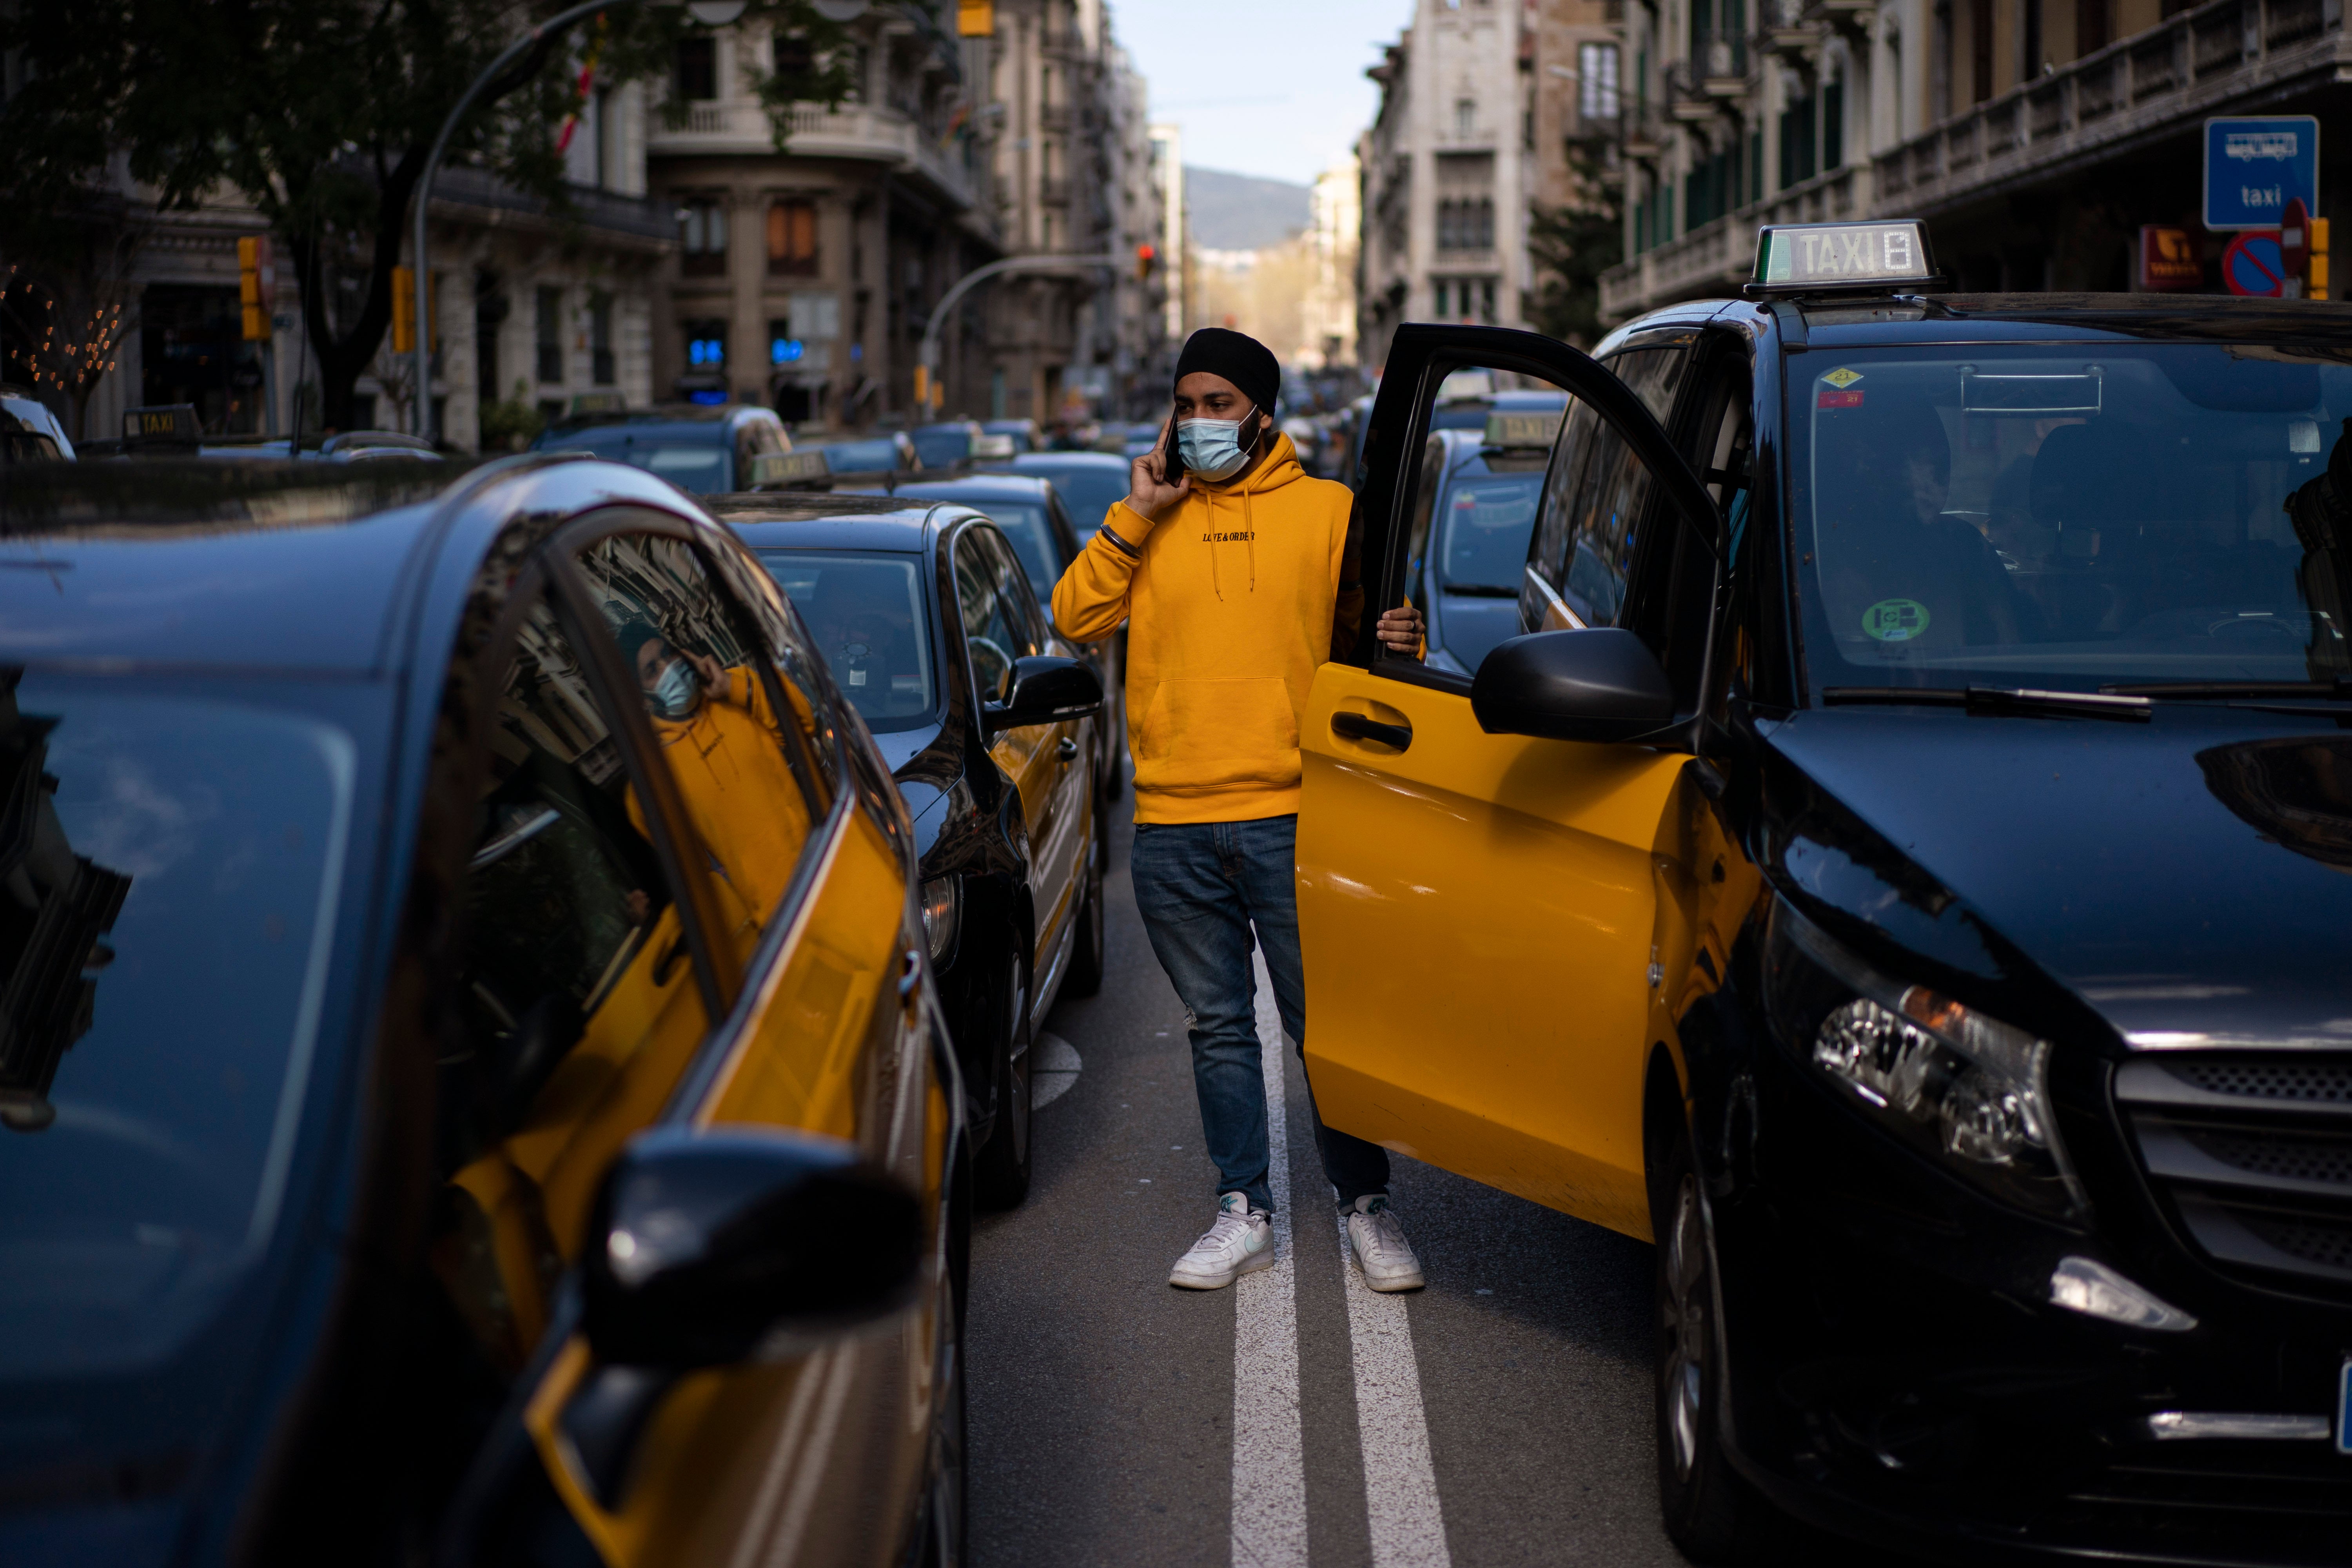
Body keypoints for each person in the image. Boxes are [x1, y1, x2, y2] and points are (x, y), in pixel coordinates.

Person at [1052, 328, 1428, 1293]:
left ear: (1264, 411)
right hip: (1173, 823)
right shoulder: (1145, 518)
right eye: (1186, 403)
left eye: (1219, 402)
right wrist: (1136, 516)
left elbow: (1373, 654)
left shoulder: (1331, 511)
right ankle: (1244, 1210)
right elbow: (1076, 618)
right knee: (1218, 1027)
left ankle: (1367, 1205)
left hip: (1297, 812)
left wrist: (1402, 637)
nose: (1199, 421)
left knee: (1322, 1025)